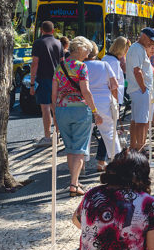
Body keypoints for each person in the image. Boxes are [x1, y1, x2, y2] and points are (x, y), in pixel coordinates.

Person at [54, 36, 104, 197]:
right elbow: (86, 92)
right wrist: (95, 111)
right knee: (80, 150)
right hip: (80, 110)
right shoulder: (81, 67)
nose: (88, 54)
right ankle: (74, 184)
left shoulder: (60, 66)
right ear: (81, 50)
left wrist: (55, 113)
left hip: (62, 109)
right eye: (87, 51)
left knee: (70, 149)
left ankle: (74, 179)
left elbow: (53, 92)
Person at [84, 41, 120, 173]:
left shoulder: (80, 66)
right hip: (104, 102)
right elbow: (114, 85)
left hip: (86, 102)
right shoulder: (104, 65)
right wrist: (115, 102)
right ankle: (116, 164)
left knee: (85, 135)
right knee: (110, 132)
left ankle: (81, 167)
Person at [30, 21, 63, 147]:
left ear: (41, 30)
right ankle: (58, 134)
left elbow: (35, 63)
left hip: (43, 78)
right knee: (56, 108)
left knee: (45, 108)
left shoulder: (38, 43)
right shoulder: (58, 43)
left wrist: (32, 84)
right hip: (57, 79)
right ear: (53, 30)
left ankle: (48, 137)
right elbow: (62, 63)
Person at [126, 28, 154, 151]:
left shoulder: (138, 48)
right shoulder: (137, 49)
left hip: (139, 90)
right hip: (140, 90)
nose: (151, 42)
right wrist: (144, 88)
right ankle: (140, 149)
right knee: (142, 122)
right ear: (143, 36)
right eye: (150, 39)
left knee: (137, 120)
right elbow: (137, 70)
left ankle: (135, 148)